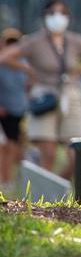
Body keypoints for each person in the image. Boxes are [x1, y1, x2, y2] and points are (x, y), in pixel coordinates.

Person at [0, 0, 81, 179]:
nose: (57, 18)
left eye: (62, 13)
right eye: (52, 13)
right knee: (48, 155)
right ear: (44, 16)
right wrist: (29, 69)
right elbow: (5, 57)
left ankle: (57, 189)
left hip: (70, 94)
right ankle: (44, 200)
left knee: (76, 155)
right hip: (44, 95)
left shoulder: (74, 40)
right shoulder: (35, 41)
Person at [0, 27, 29, 189]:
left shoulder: (24, 64)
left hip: (19, 109)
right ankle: (5, 180)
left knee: (16, 148)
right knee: (6, 146)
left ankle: (9, 179)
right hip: (4, 110)